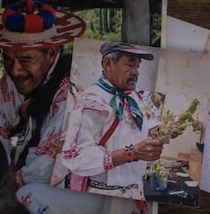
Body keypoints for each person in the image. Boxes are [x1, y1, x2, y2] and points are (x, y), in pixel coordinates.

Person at [0, 0, 118, 214]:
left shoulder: (72, 89)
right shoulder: (13, 80)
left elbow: (45, 168)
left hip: (83, 194)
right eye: (8, 60)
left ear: (51, 53)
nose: (16, 70)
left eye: (25, 60)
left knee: (28, 197)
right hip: (32, 178)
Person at [61, 41, 164, 201]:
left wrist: (157, 133)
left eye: (138, 66)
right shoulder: (92, 101)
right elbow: (76, 157)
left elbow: (139, 128)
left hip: (136, 190)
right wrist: (132, 153)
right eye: (130, 65)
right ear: (108, 63)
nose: (136, 72)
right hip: (103, 195)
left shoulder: (135, 96)